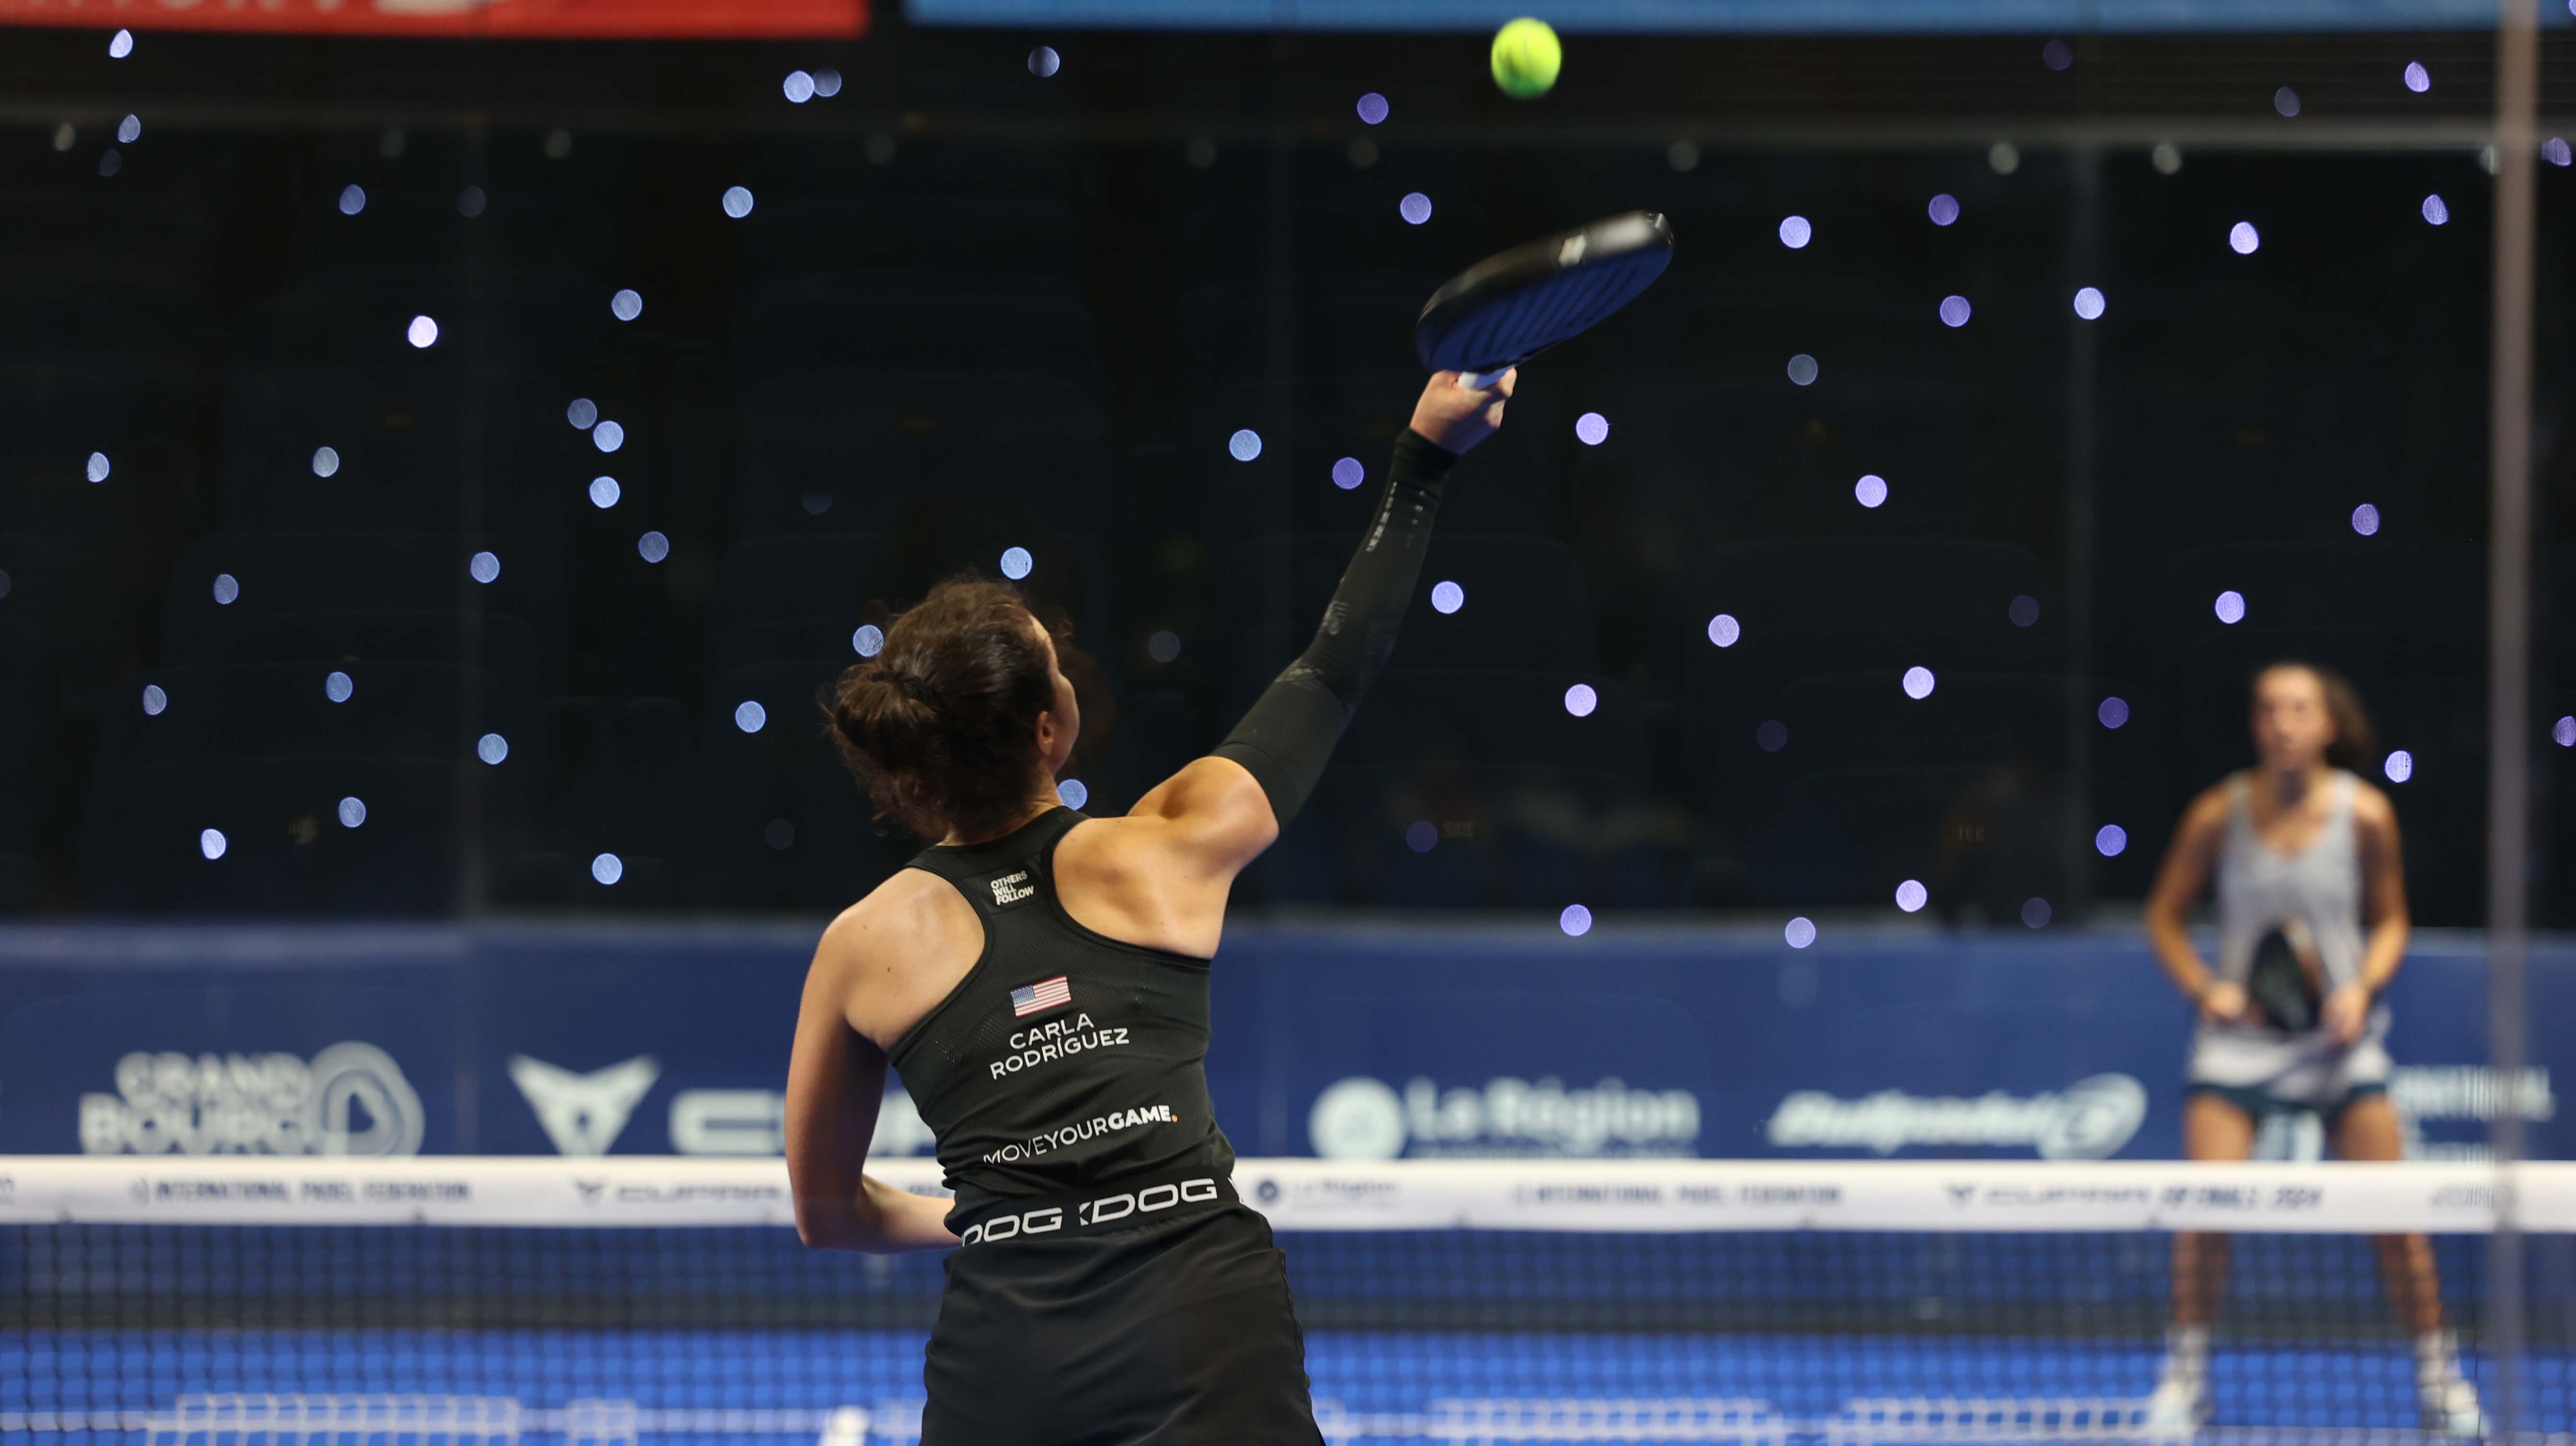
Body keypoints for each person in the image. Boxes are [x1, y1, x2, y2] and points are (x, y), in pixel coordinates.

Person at [780, 370, 1515, 1444]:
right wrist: (1423, 459)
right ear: (1049, 729)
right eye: (1055, 662)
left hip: (1009, 1356)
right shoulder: (1171, 847)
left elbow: (827, 1214)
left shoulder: (861, 947)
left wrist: (1006, 1216)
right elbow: (1333, 669)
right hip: (1204, 1323)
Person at [2139, 661, 2482, 1435]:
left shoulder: (2367, 815)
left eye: (2298, 709)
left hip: (2338, 1047)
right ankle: (2183, 1380)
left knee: (2398, 1220)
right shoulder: (2216, 813)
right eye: (2268, 710)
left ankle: (2442, 1382)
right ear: (2256, 725)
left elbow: (2391, 919)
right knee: (2205, 1216)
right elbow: (2162, 915)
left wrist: (2362, 987)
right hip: (2237, 1048)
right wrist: (2205, 988)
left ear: (2329, 724)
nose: (2282, 724)